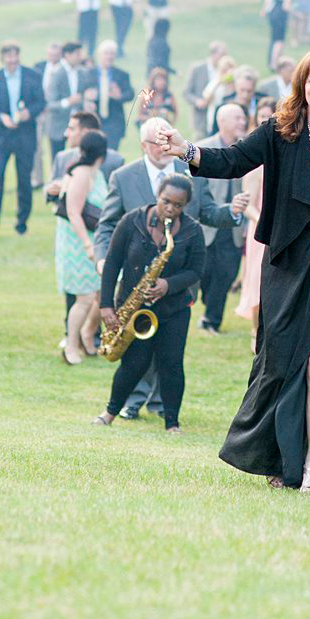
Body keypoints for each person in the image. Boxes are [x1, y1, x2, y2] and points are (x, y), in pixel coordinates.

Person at [154, 47, 310, 493]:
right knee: (280, 364)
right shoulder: (279, 131)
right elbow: (231, 160)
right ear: (301, 87)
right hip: (287, 265)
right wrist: (186, 150)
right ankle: (281, 456)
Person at [93, 117, 244, 419]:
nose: (163, 149)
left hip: (175, 284)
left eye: (166, 141)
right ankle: (130, 404)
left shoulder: (192, 174)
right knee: (135, 352)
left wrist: (232, 213)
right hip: (136, 279)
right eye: (155, 143)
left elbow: (207, 213)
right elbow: (108, 223)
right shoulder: (123, 177)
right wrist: (102, 258)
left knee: (170, 355)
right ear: (142, 145)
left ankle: (163, 406)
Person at [94, 175, 207, 434]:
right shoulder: (131, 221)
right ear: (157, 195)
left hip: (173, 310)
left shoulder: (192, 231)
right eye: (166, 201)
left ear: (185, 205)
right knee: (134, 363)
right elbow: (112, 263)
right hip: (134, 310)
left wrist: (168, 285)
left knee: (171, 364)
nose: (170, 209)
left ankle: (172, 422)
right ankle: (110, 413)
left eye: (178, 205)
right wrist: (106, 306)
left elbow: (196, 271)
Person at [191, 102, 250, 334]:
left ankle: (211, 320)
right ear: (221, 122)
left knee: (225, 275)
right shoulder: (202, 150)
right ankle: (208, 304)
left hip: (234, 225)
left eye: (243, 117)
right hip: (207, 224)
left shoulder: (248, 150)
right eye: (236, 118)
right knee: (205, 275)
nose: (242, 122)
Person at [56, 130, 109, 364]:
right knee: (85, 297)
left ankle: (88, 334)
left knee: (102, 293)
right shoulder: (81, 174)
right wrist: (88, 245)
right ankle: (71, 345)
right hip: (78, 244)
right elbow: (73, 212)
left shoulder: (96, 173)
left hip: (95, 240)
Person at [0, 42, 45, 238]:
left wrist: (29, 113)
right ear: (2, 58)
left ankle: (21, 223)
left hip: (25, 133)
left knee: (24, 179)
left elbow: (41, 101)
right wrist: (1, 117)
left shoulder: (31, 75)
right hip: (3, 135)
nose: (12, 60)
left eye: (15, 55)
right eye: (8, 56)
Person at [235, 96, 276, 349]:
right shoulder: (255, 157)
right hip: (260, 227)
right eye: (261, 119)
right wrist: (263, 219)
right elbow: (248, 203)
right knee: (257, 280)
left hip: (281, 225)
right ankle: (255, 332)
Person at [80, 40, 133, 151]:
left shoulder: (122, 74)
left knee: (111, 155)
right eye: (106, 53)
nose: (109, 56)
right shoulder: (87, 73)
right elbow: (79, 93)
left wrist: (119, 96)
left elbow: (130, 93)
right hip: (93, 121)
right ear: (99, 55)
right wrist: (85, 99)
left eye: (112, 53)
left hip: (114, 122)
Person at [42, 41, 85, 162]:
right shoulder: (56, 74)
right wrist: (68, 102)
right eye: (77, 54)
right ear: (67, 55)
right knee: (57, 159)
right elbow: (50, 103)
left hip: (78, 125)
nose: (80, 57)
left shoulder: (81, 72)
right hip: (58, 125)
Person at [183, 41, 230, 135]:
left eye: (225, 55)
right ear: (212, 54)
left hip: (221, 119)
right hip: (201, 119)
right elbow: (186, 92)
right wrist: (197, 101)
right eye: (221, 55)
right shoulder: (197, 69)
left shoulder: (226, 71)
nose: (223, 58)